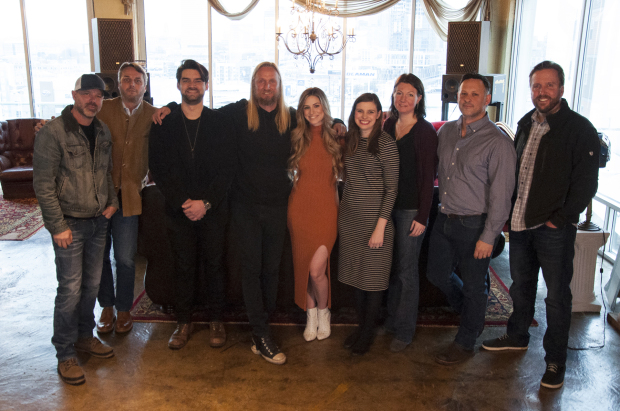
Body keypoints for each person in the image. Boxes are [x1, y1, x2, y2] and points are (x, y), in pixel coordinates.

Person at [153, 62, 345, 364]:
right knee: (251, 270)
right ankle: (261, 334)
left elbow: (319, 119)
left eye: (272, 82)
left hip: (280, 207)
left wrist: (342, 124)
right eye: (261, 81)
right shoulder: (238, 113)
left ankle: (261, 329)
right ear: (254, 85)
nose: (266, 86)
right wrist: (168, 107)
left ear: (279, 86)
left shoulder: (292, 118)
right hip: (245, 207)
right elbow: (202, 110)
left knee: (271, 270)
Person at [482, 61, 599, 389]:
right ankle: (518, 335)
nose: (542, 92)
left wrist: (559, 219)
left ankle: (555, 361)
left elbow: (586, 182)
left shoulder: (579, 128)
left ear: (561, 88)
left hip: (553, 229)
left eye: (549, 85)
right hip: (520, 223)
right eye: (536, 86)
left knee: (557, 297)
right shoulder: (525, 123)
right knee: (521, 286)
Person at [35, 63, 157, 335]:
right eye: (126, 79)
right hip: (97, 196)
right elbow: (73, 124)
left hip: (129, 198)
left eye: (138, 80)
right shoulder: (103, 108)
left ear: (144, 86)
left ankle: (124, 308)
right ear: (118, 83)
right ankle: (107, 306)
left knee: (125, 259)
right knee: (98, 259)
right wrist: (49, 123)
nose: (132, 85)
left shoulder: (154, 115)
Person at [33, 74, 119, 385]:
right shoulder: (54, 133)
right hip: (69, 224)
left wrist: (111, 202)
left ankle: (85, 336)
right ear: (74, 94)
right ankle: (65, 352)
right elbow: (43, 184)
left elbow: (105, 171)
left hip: (98, 222)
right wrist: (57, 226)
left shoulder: (101, 130)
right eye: (86, 94)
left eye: (97, 95)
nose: (92, 100)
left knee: (91, 286)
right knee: (69, 290)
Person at [426, 73, 516, 365]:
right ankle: (469, 311)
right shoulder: (447, 132)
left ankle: (465, 341)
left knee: (476, 285)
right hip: (444, 218)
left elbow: (502, 196)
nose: (467, 99)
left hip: (475, 225)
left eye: (475, 94)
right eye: (464, 93)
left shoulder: (498, 143)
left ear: (487, 99)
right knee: (436, 274)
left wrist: (489, 237)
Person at [149, 59, 236, 350]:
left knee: (215, 266)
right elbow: (158, 168)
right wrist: (184, 202)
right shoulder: (164, 123)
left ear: (206, 85)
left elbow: (227, 169)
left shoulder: (219, 122)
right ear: (178, 85)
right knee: (183, 266)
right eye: (186, 80)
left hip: (213, 210)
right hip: (178, 210)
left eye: (197, 80)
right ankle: (183, 322)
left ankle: (216, 320)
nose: (192, 85)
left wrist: (206, 202)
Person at [338, 93, 399, 356]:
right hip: (350, 220)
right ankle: (360, 327)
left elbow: (392, 190)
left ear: (379, 115)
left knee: (372, 282)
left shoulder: (386, 144)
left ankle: (367, 333)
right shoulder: (350, 141)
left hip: (376, 222)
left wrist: (380, 227)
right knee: (356, 279)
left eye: (370, 111)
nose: (364, 116)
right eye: (359, 111)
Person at [382, 74, 438, 352]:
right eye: (398, 93)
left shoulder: (425, 131)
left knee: (407, 271)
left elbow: (429, 178)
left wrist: (422, 217)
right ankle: (392, 320)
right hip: (387, 208)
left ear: (419, 98)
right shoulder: (389, 124)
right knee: (392, 268)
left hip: (410, 211)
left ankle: (404, 331)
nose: (403, 98)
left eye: (409, 94)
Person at [288, 88, 343, 342]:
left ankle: (324, 312)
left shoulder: (337, 136)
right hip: (299, 211)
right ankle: (310, 317)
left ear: (324, 107)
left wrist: (341, 124)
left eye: (316, 106)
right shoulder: (296, 137)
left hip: (326, 213)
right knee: (303, 268)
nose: (312, 112)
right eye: (307, 107)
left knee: (316, 270)